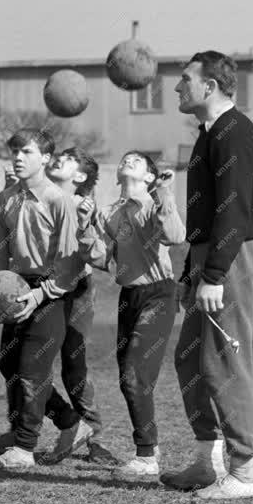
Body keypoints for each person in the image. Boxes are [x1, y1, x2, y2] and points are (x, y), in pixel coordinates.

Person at [160, 51, 253, 500]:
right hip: (214, 259)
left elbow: (236, 210)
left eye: (185, 79)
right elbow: (208, 214)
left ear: (209, 86)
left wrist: (215, 274)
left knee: (225, 362)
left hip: (235, 258)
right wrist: (194, 271)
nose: (177, 87)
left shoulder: (234, 132)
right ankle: (208, 460)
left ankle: (245, 473)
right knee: (191, 357)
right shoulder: (211, 133)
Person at [0, 128, 84, 470]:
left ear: (46, 159)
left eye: (26, 152)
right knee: (9, 366)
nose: (18, 158)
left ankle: (24, 448)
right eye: (15, 153)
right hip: (15, 287)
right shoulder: (6, 197)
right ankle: (71, 422)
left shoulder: (60, 201)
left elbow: (71, 264)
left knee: (31, 370)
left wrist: (41, 293)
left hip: (51, 290)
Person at [76, 151, 185, 478]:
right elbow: (101, 259)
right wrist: (85, 225)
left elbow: (175, 236)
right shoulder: (110, 213)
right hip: (130, 296)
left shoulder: (155, 203)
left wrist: (165, 194)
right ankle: (149, 448)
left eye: (138, 161)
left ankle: (147, 457)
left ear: (150, 177)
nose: (129, 160)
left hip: (159, 295)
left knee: (135, 376)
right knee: (131, 379)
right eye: (126, 159)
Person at [39, 147, 118, 465]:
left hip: (75, 292)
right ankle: (42, 428)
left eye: (69, 160)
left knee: (74, 367)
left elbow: (100, 257)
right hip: (40, 289)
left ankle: (93, 436)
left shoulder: (83, 207)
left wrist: (86, 225)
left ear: (81, 176)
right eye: (59, 156)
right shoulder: (37, 196)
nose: (59, 159)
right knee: (28, 367)